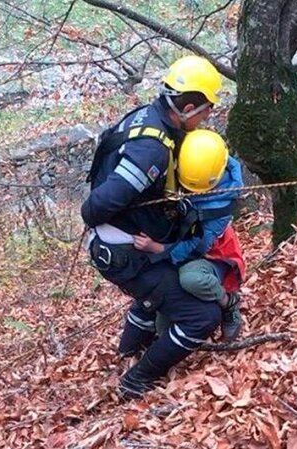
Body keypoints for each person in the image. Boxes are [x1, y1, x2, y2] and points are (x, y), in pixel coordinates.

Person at [81, 55, 226, 400]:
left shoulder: (149, 117)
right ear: (188, 106)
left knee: (162, 291)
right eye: (206, 109)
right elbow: (97, 206)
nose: (207, 116)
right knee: (201, 316)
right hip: (122, 251)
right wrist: (131, 207)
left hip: (126, 241)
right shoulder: (152, 150)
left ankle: (128, 350)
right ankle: (136, 379)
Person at [132, 129, 246, 342]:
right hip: (178, 241)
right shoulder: (199, 152)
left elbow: (198, 247)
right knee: (163, 326)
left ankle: (228, 303)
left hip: (212, 256)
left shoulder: (221, 204)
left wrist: (158, 249)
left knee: (191, 279)